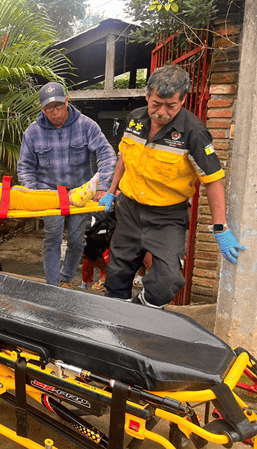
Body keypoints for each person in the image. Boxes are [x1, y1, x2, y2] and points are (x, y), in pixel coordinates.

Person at [99, 65, 247, 308]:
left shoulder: (194, 132)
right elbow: (124, 157)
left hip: (166, 217)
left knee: (168, 281)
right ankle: (116, 321)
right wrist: (111, 192)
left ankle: (139, 312)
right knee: (116, 274)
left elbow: (213, 180)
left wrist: (221, 228)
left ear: (183, 100)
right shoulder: (134, 119)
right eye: (156, 103)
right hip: (128, 210)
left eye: (171, 106)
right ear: (147, 95)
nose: (161, 112)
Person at [17, 82, 117, 289]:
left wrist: (103, 186)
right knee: (52, 237)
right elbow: (25, 166)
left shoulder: (86, 125)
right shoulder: (33, 132)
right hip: (49, 194)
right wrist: (32, 194)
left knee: (76, 240)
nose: (54, 113)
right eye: (48, 108)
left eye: (58, 106)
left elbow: (106, 154)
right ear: (41, 108)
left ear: (67, 101)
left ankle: (67, 279)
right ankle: (53, 285)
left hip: (79, 192)